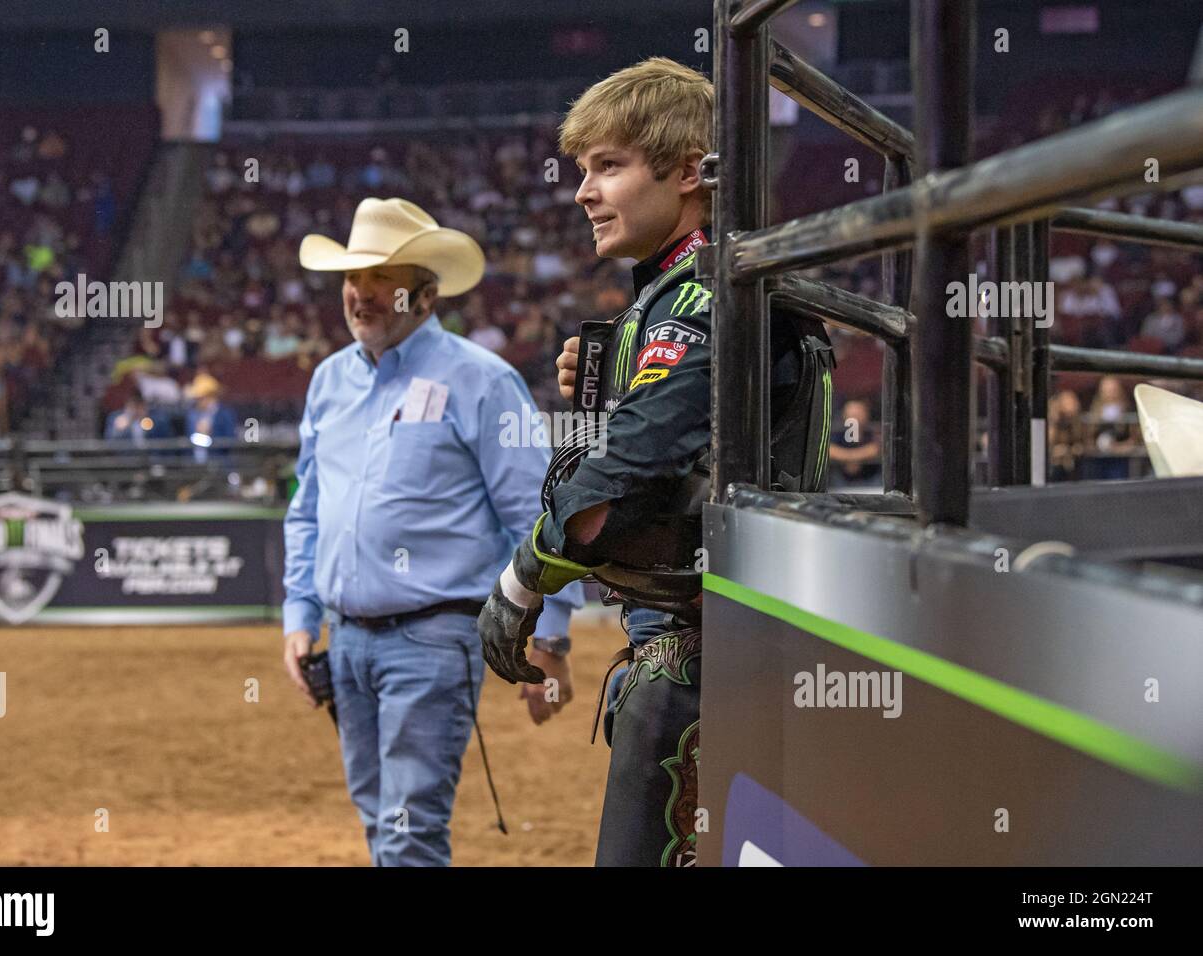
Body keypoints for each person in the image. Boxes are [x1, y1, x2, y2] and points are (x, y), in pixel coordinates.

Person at [476, 58, 834, 867]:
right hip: (725, 647)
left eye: (608, 166)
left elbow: (621, 483)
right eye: (582, 169)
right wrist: (606, 394)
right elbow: (650, 444)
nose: (583, 192)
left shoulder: (704, 292)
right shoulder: (691, 289)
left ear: (686, 173)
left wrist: (522, 576)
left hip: (705, 657)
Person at [283, 197, 583, 867]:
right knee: (379, 817)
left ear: (425, 293)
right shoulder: (329, 381)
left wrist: (551, 637)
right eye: (353, 278)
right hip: (348, 637)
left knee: (408, 828)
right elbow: (308, 508)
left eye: (381, 278)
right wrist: (300, 612)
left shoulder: (481, 381)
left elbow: (537, 517)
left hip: (436, 634)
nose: (361, 294)